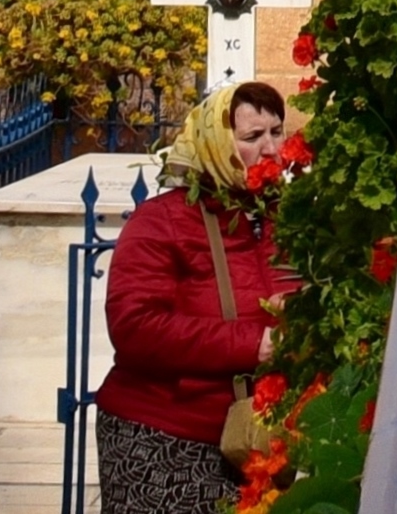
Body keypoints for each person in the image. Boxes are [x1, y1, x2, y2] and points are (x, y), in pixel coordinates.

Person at [95, 82, 292, 513]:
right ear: (217, 145)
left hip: (260, 440)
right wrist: (254, 343)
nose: (272, 149)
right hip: (165, 435)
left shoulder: (287, 220)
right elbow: (134, 326)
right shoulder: (162, 221)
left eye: (277, 132)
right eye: (252, 137)